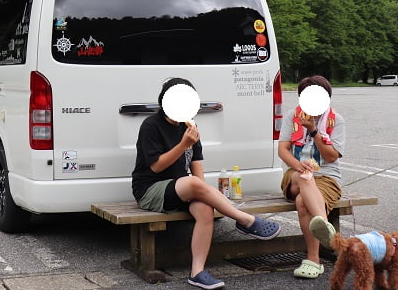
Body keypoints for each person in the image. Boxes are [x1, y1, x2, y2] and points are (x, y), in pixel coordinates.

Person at [132, 77, 281, 289]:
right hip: (151, 189)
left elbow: (196, 164)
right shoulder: (151, 125)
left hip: (181, 188)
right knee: (192, 183)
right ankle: (245, 220)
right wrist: (184, 144)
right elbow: (156, 166)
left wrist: (204, 195)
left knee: (204, 209)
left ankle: (197, 271)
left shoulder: (189, 125)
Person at [277, 75, 346, 280]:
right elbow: (282, 150)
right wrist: (298, 165)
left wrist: (313, 130)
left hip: (327, 178)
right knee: (304, 177)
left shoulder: (336, 120)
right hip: (294, 175)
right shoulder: (292, 116)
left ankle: (314, 260)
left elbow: (331, 157)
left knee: (302, 202)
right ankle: (325, 225)